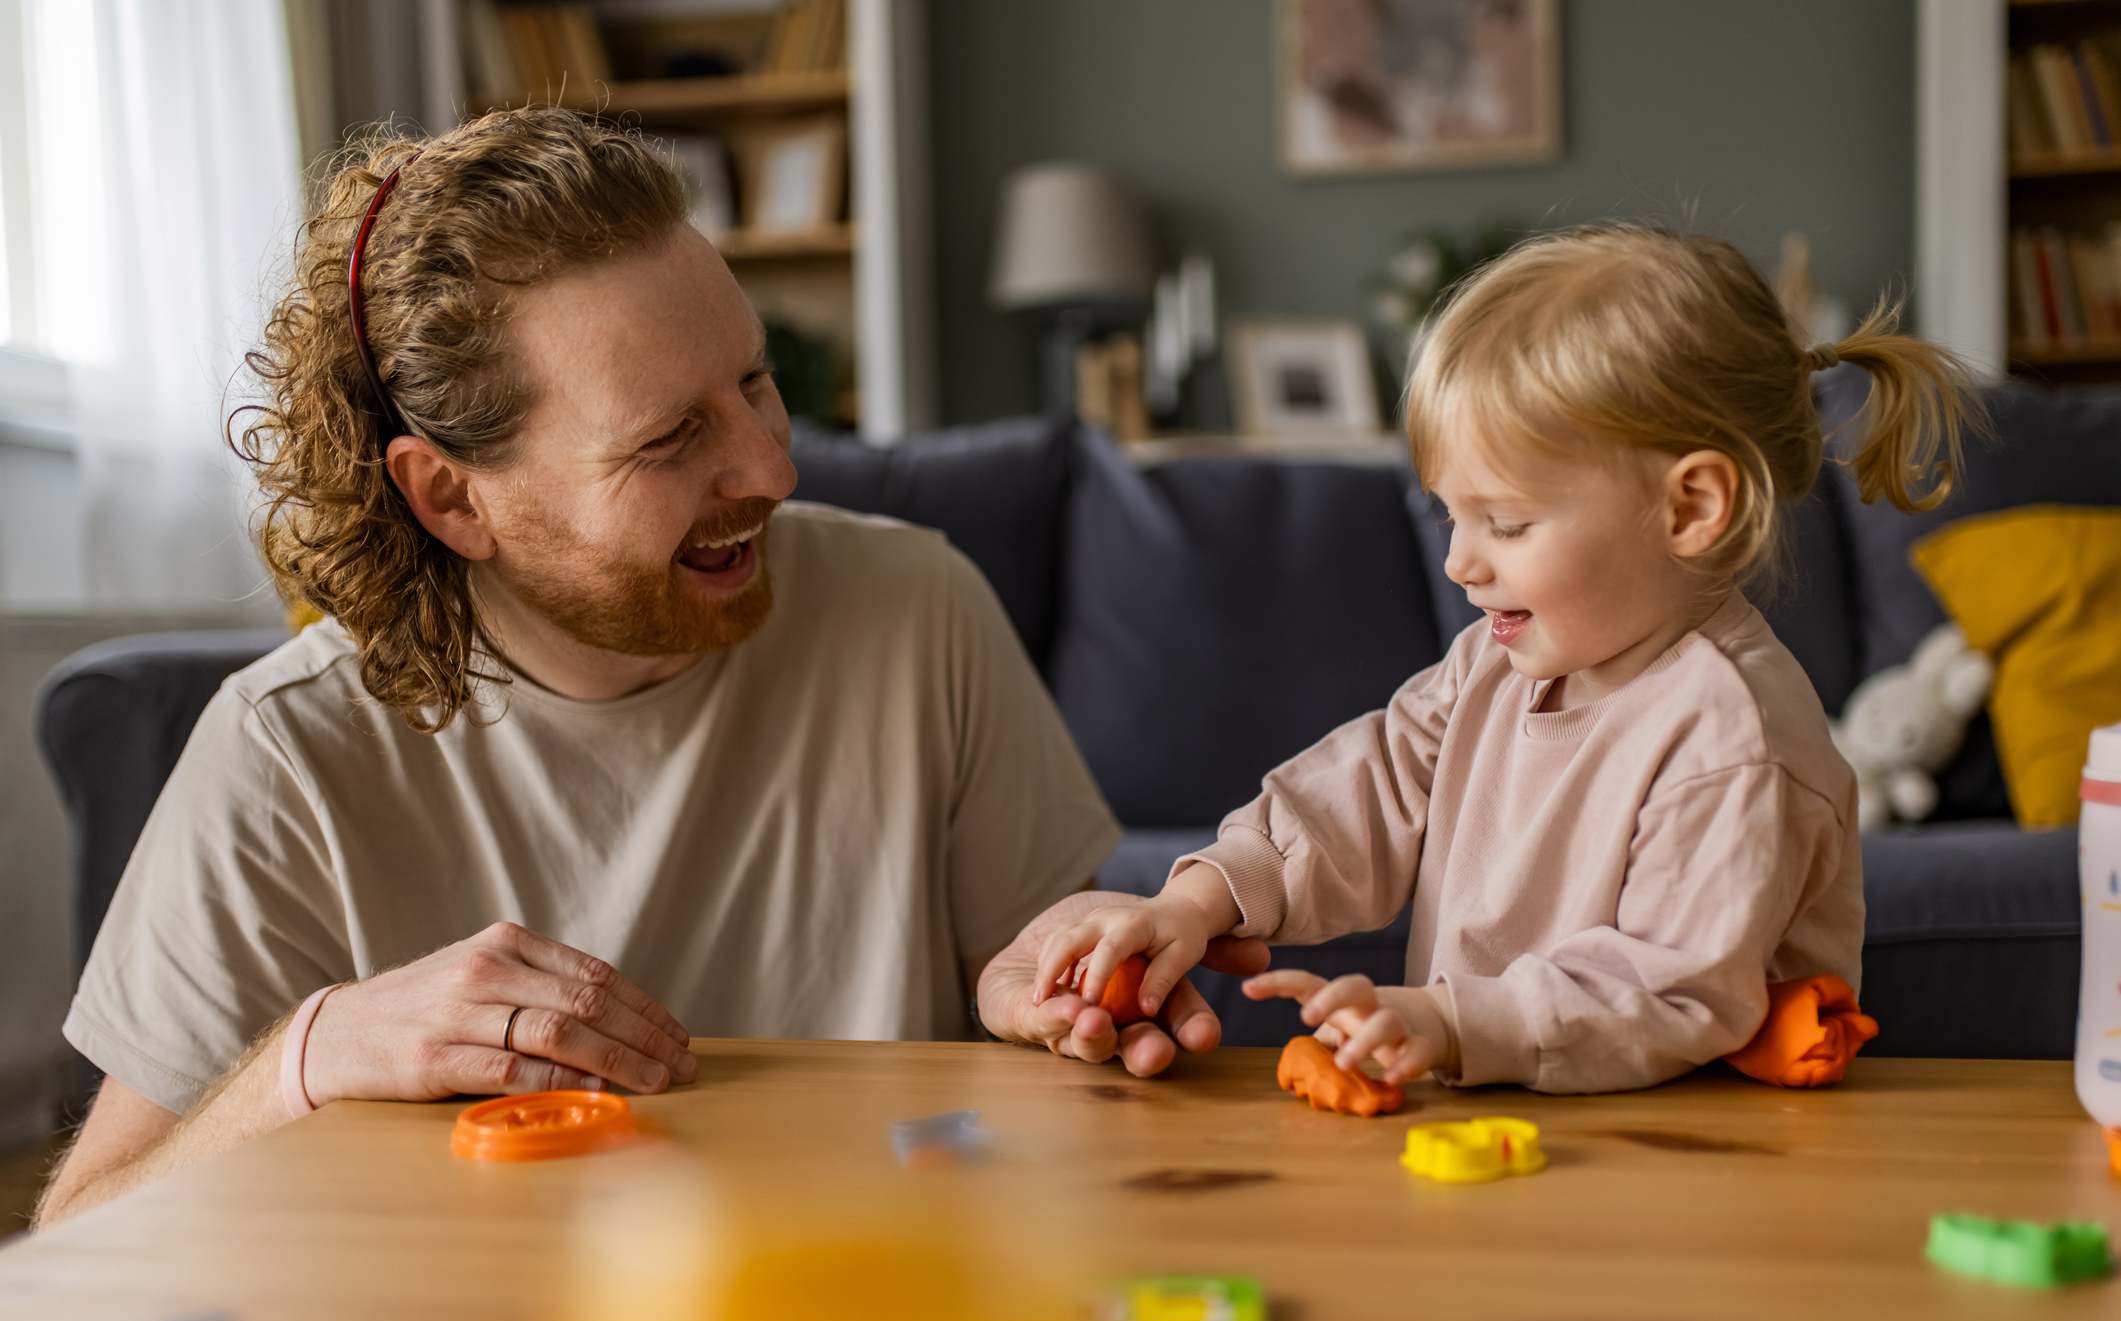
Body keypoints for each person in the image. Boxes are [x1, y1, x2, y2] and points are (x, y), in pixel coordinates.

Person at [37, 109, 1249, 1228]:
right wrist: (312, 1054)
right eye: (672, 436)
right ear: (452, 497)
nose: (772, 471)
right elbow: (79, 1240)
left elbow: (1037, 1002)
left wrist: (1077, 997)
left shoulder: (916, 605)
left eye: (755, 383)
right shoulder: (285, 756)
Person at [1028, 224, 1986, 1095]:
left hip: (1686, 1156)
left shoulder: (1731, 734)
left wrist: (1450, 1021)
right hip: (1506, 1119)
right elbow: (1364, 790)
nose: (1459, 561)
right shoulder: (1492, 664)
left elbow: (1670, 984)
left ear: (1689, 507)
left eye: (1508, 522)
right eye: (1452, 515)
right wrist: (1200, 899)